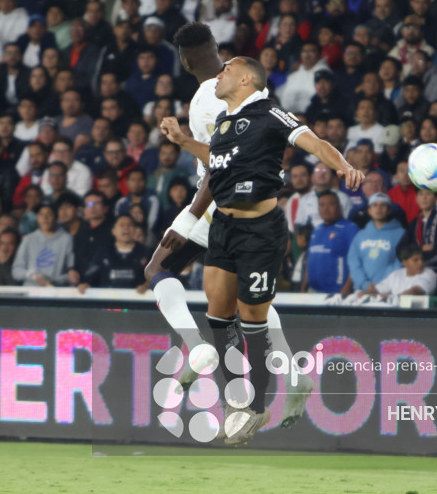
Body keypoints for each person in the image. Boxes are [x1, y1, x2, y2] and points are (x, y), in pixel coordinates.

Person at [161, 55, 363, 445]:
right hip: (224, 227)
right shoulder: (223, 122)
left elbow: (314, 142)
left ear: (247, 79)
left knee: (254, 319)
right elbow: (217, 164)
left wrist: (342, 166)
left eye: (227, 70)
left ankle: (256, 408)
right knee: (218, 316)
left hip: (260, 231)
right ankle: (240, 400)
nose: (219, 74)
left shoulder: (270, 114)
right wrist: (184, 141)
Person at [346, 192, 405, 294]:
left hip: (387, 291)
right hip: (361, 290)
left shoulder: (401, 234)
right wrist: (365, 284)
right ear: (369, 210)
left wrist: (381, 286)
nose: (379, 208)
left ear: (389, 210)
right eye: (375, 205)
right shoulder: (360, 235)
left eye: (383, 205)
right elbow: (354, 263)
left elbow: (399, 262)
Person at [303, 190, 359, 294]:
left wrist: (346, 288)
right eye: (322, 205)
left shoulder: (350, 229)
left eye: (331, 204)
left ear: (340, 207)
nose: (326, 208)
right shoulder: (317, 230)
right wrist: (304, 287)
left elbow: (357, 262)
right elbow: (311, 259)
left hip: (337, 292)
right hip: (313, 291)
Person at [78, 214, 149, 293]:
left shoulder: (146, 253)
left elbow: (155, 277)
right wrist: (85, 284)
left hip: (138, 302)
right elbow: (90, 276)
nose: (126, 228)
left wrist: (146, 285)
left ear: (135, 230)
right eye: (121, 225)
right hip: (107, 302)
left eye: (130, 225)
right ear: (113, 231)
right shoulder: (103, 253)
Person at [11, 203, 74, 287]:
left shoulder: (67, 239)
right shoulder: (28, 239)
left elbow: (72, 273)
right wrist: (32, 276)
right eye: (41, 214)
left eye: (49, 214)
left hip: (56, 293)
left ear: (55, 217)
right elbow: (16, 271)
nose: (45, 218)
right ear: (37, 218)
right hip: (31, 292)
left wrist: (50, 280)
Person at [369, 243, 437, 298]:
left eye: (422, 259)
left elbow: (414, 292)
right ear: (405, 262)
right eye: (415, 260)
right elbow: (377, 290)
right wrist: (366, 293)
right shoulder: (396, 274)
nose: (420, 263)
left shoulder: (429, 273)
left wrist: (390, 298)